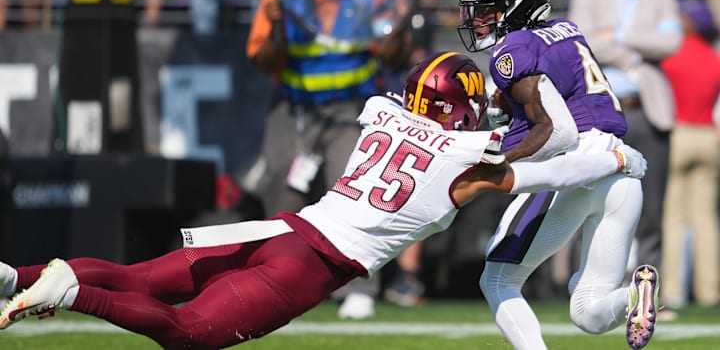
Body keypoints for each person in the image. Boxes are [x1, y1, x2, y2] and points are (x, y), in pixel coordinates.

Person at [0, 51, 646, 349]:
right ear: (460, 108)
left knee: (141, 276)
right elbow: (548, 171)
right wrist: (616, 156)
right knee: (189, 333)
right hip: (308, 266)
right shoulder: (464, 159)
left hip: (275, 228)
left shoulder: (379, 113)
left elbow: (397, 108)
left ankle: (15, 276)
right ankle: (67, 292)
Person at [457, 0, 658, 350]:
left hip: (577, 168)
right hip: (622, 168)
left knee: (498, 278)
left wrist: (497, 158)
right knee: (588, 310)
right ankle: (634, 294)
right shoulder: (566, 30)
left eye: (491, 9)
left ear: (517, 6)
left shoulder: (514, 51)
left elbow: (559, 133)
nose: (480, 19)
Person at [246, 0, 409, 319]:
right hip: (296, 107)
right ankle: (276, 284)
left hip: (353, 109)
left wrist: (399, 29)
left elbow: (393, 54)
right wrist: (274, 27)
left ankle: (360, 287)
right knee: (280, 191)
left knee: (356, 194)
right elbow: (261, 59)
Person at [567, 0, 682, 275]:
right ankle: (580, 283)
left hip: (647, 110)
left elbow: (671, 43)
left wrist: (614, 34)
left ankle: (647, 287)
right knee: (585, 199)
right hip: (599, 111)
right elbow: (581, 41)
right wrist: (634, 55)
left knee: (652, 208)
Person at [660, 0, 720, 312]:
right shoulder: (714, 57)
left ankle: (673, 292)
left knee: (674, 218)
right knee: (706, 219)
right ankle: (710, 292)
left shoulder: (672, 56)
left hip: (680, 133)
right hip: (708, 136)